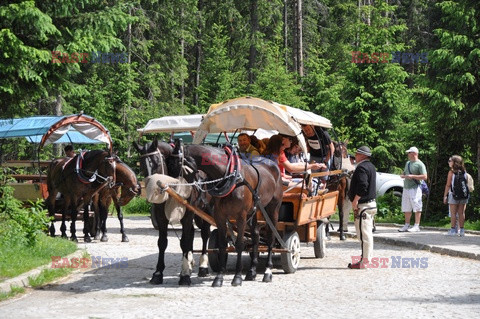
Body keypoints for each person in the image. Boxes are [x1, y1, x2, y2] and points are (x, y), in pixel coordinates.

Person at [347, 146, 377, 269]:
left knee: (364, 235)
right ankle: (365, 258)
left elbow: (363, 186)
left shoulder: (362, 167)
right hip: (370, 204)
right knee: (366, 234)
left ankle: (364, 262)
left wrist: (355, 200)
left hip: (364, 205)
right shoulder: (371, 167)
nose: (355, 156)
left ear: (363, 155)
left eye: (357, 154)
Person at [398, 146, 428, 232]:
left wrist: (413, 176)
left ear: (414, 153)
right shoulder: (407, 163)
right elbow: (405, 172)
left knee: (417, 206)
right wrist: (403, 175)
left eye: (409, 153)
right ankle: (407, 224)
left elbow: (425, 176)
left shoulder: (420, 164)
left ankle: (416, 225)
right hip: (406, 187)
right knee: (406, 206)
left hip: (415, 188)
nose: (408, 154)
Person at [443, 155, 469, 236]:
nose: (449, 162)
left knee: (453, 213)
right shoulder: (465, 172)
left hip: (453, 195)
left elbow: (448, 185)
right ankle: (462, 230)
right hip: (463, 195)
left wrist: (445, 196)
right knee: (461, 213)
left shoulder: (451, 172)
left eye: (450, 161)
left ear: (454, 162)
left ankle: (453, 230)